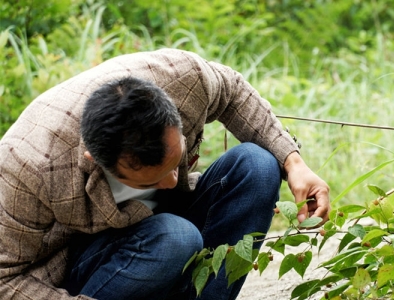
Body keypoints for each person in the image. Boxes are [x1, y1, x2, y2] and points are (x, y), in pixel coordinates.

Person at [0, 48, 330, 300]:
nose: (172, 182)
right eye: (150, 179)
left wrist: (294, 163)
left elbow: (231, 92)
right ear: (96, 161)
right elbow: (6, 281)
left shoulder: (183, 78)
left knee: (257, 165)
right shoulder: (27, 166)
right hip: (88, 260)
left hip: (158, 223)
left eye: (176, 163)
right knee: (175, 237)